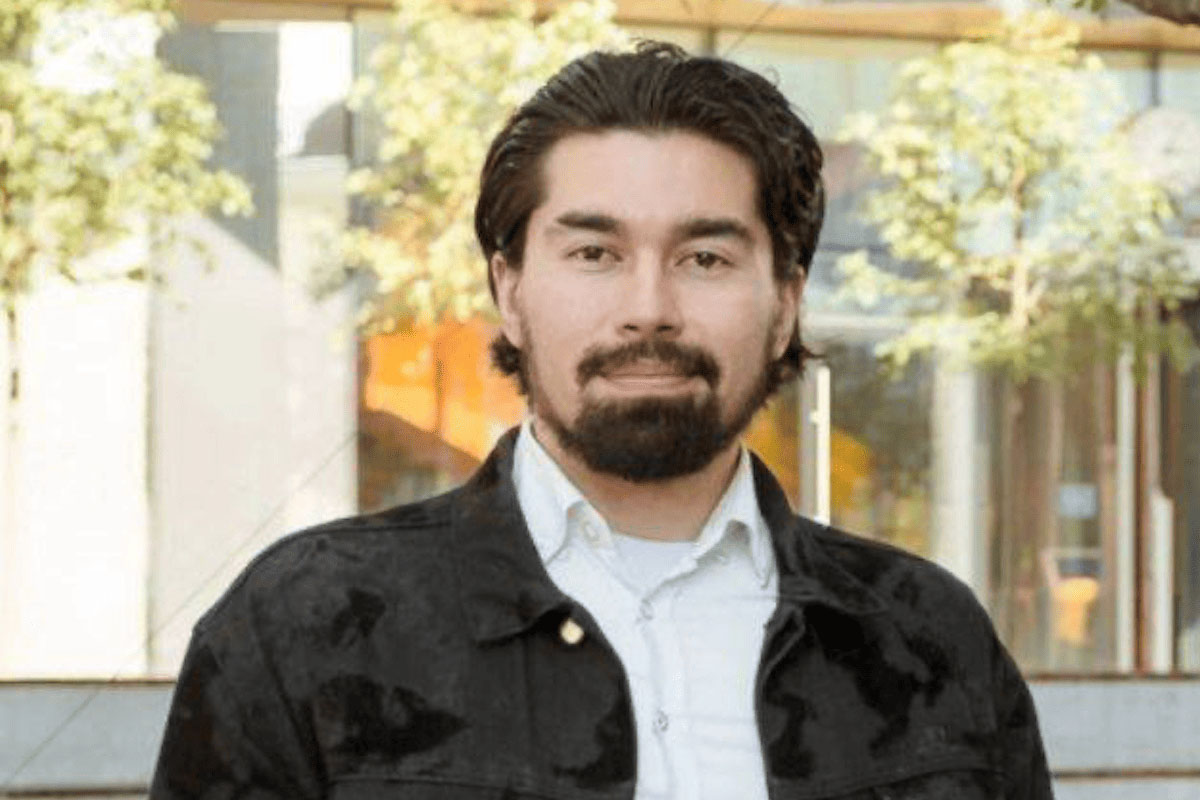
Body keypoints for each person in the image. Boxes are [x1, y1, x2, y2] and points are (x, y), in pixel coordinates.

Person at [151, 41, 1053, 800]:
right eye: (594, 253)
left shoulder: (928, 636)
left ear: (784, 304)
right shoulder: (305, 623)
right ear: (510, 291)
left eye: (704, 257)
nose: (648, 309)